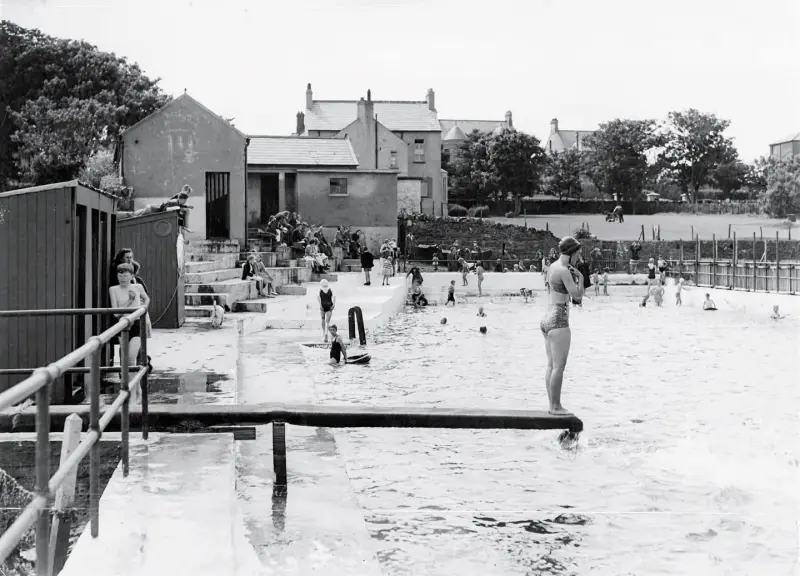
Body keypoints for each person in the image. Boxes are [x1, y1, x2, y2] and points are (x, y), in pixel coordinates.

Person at [540, 236, 584, 416]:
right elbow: (577, 296)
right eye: (578, 254)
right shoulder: (565, 271)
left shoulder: (552, 267)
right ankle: (556, 406)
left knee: (551, 365)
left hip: (547, 318)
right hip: (559, 319)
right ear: (572, 253)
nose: (579, 258)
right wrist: (580, 277)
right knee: (559, 366)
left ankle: (552, 405)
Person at [109, 263, 151, 373]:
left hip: (136, 323)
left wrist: (144, 310)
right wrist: (130, 301)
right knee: (124, 359)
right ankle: (128, 386)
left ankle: (133, 387)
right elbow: (116, 314)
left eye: (126, 276)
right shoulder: (113, 289)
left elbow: (146, 299)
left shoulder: (138, 287)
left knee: (132, 358)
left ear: (132, 276)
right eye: (120, 275)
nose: (122, 278)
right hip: (122, 324)